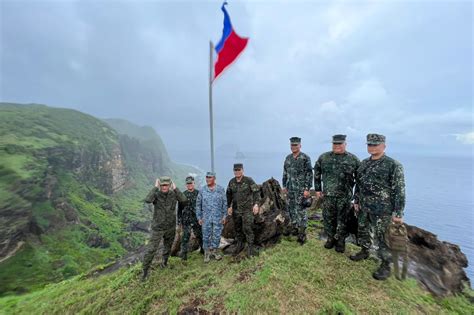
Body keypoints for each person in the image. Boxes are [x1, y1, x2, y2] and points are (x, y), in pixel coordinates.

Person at [351, 134, 406, 281]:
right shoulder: (363, 164)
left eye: (375, 144)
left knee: (383, 238)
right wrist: (356, 200)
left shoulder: (393, 165)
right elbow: (359, 184)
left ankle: (385, 265)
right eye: (370, 144)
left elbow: (399, 190)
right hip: (364, 207)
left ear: (384, 146)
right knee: (363, 230)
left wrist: (398, 212)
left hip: (383, 210)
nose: (372, 147)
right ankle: (364, 251)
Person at [314, 134, 360, 253]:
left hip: (344, 197)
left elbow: (360, 180)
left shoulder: (353, 159)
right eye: (335, 144)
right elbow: (317, 173)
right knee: (328, 219)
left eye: (340, 143)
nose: (337, 146)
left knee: (343, 220)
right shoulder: (324, 157)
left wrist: (357, 198)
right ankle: (330, 238)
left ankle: (340, 241)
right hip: (328, 196)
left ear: (345, 144)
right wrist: (318, 189)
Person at [142, 176, 187, 281]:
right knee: (151, 249)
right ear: (160, 185)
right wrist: (155, 187)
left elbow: (184, 200)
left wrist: (176, 189)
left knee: (168, 246)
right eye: (162, 185)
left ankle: (164, 263)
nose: (164, 187)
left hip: (170, 226)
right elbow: (148, 200)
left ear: (170, 185)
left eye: (166, 185)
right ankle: (145, 271)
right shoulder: (156, 195)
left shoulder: (173, 194)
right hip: (158, 227)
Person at [282, 136, 313, 244]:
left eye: (295, 145)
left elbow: (309, 174)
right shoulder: (288, 158)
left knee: (301, 211)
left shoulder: (305, 158)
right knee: (291, 209)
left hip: (301, 190)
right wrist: (284, 186)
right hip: (290, 189)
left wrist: (307, 189)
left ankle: (302, 233)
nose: (293, 147)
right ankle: (294, 228)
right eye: (292, 145)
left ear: (300, 145)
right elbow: (285, 173)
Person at [226, 163, 261, 256]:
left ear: (242, 170)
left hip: (247, 210)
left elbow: (256, 192)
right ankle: (240, 245)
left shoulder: (248, 180)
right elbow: (228, 195)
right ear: (233, 171)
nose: (237, 172)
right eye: (235, 170)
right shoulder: (231, 182)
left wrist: (256, 204)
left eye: (239, 170)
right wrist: (229, 206)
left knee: (247, 228)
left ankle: (250, 247)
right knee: (237, 229)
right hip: (236, 210)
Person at [196, 171, 227, 263]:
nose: (207, 179)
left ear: (214, 178)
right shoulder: (202, 190)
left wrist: (224, 216)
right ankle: (206, 253)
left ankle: (214, 251)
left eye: (210, 177)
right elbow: (198, 205)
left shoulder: (220, 189)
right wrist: (199, 217)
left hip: (218, 217)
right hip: (206, 218)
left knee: (217, 235)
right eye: (207, 177)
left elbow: (224, 204)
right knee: (206, 236)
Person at [178, 176, 204, 260]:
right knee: (185, 237)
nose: (189, 185)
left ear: (194, 183)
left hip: (197, 219)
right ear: (186, 184)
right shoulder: (183, 195)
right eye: (188, 183)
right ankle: (184, 255)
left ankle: (203, 250)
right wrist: (179, 221)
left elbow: (203, 206)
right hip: (186, 220)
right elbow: (179, 209)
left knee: (200, 235)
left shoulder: (199, 194)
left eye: (191, 183)